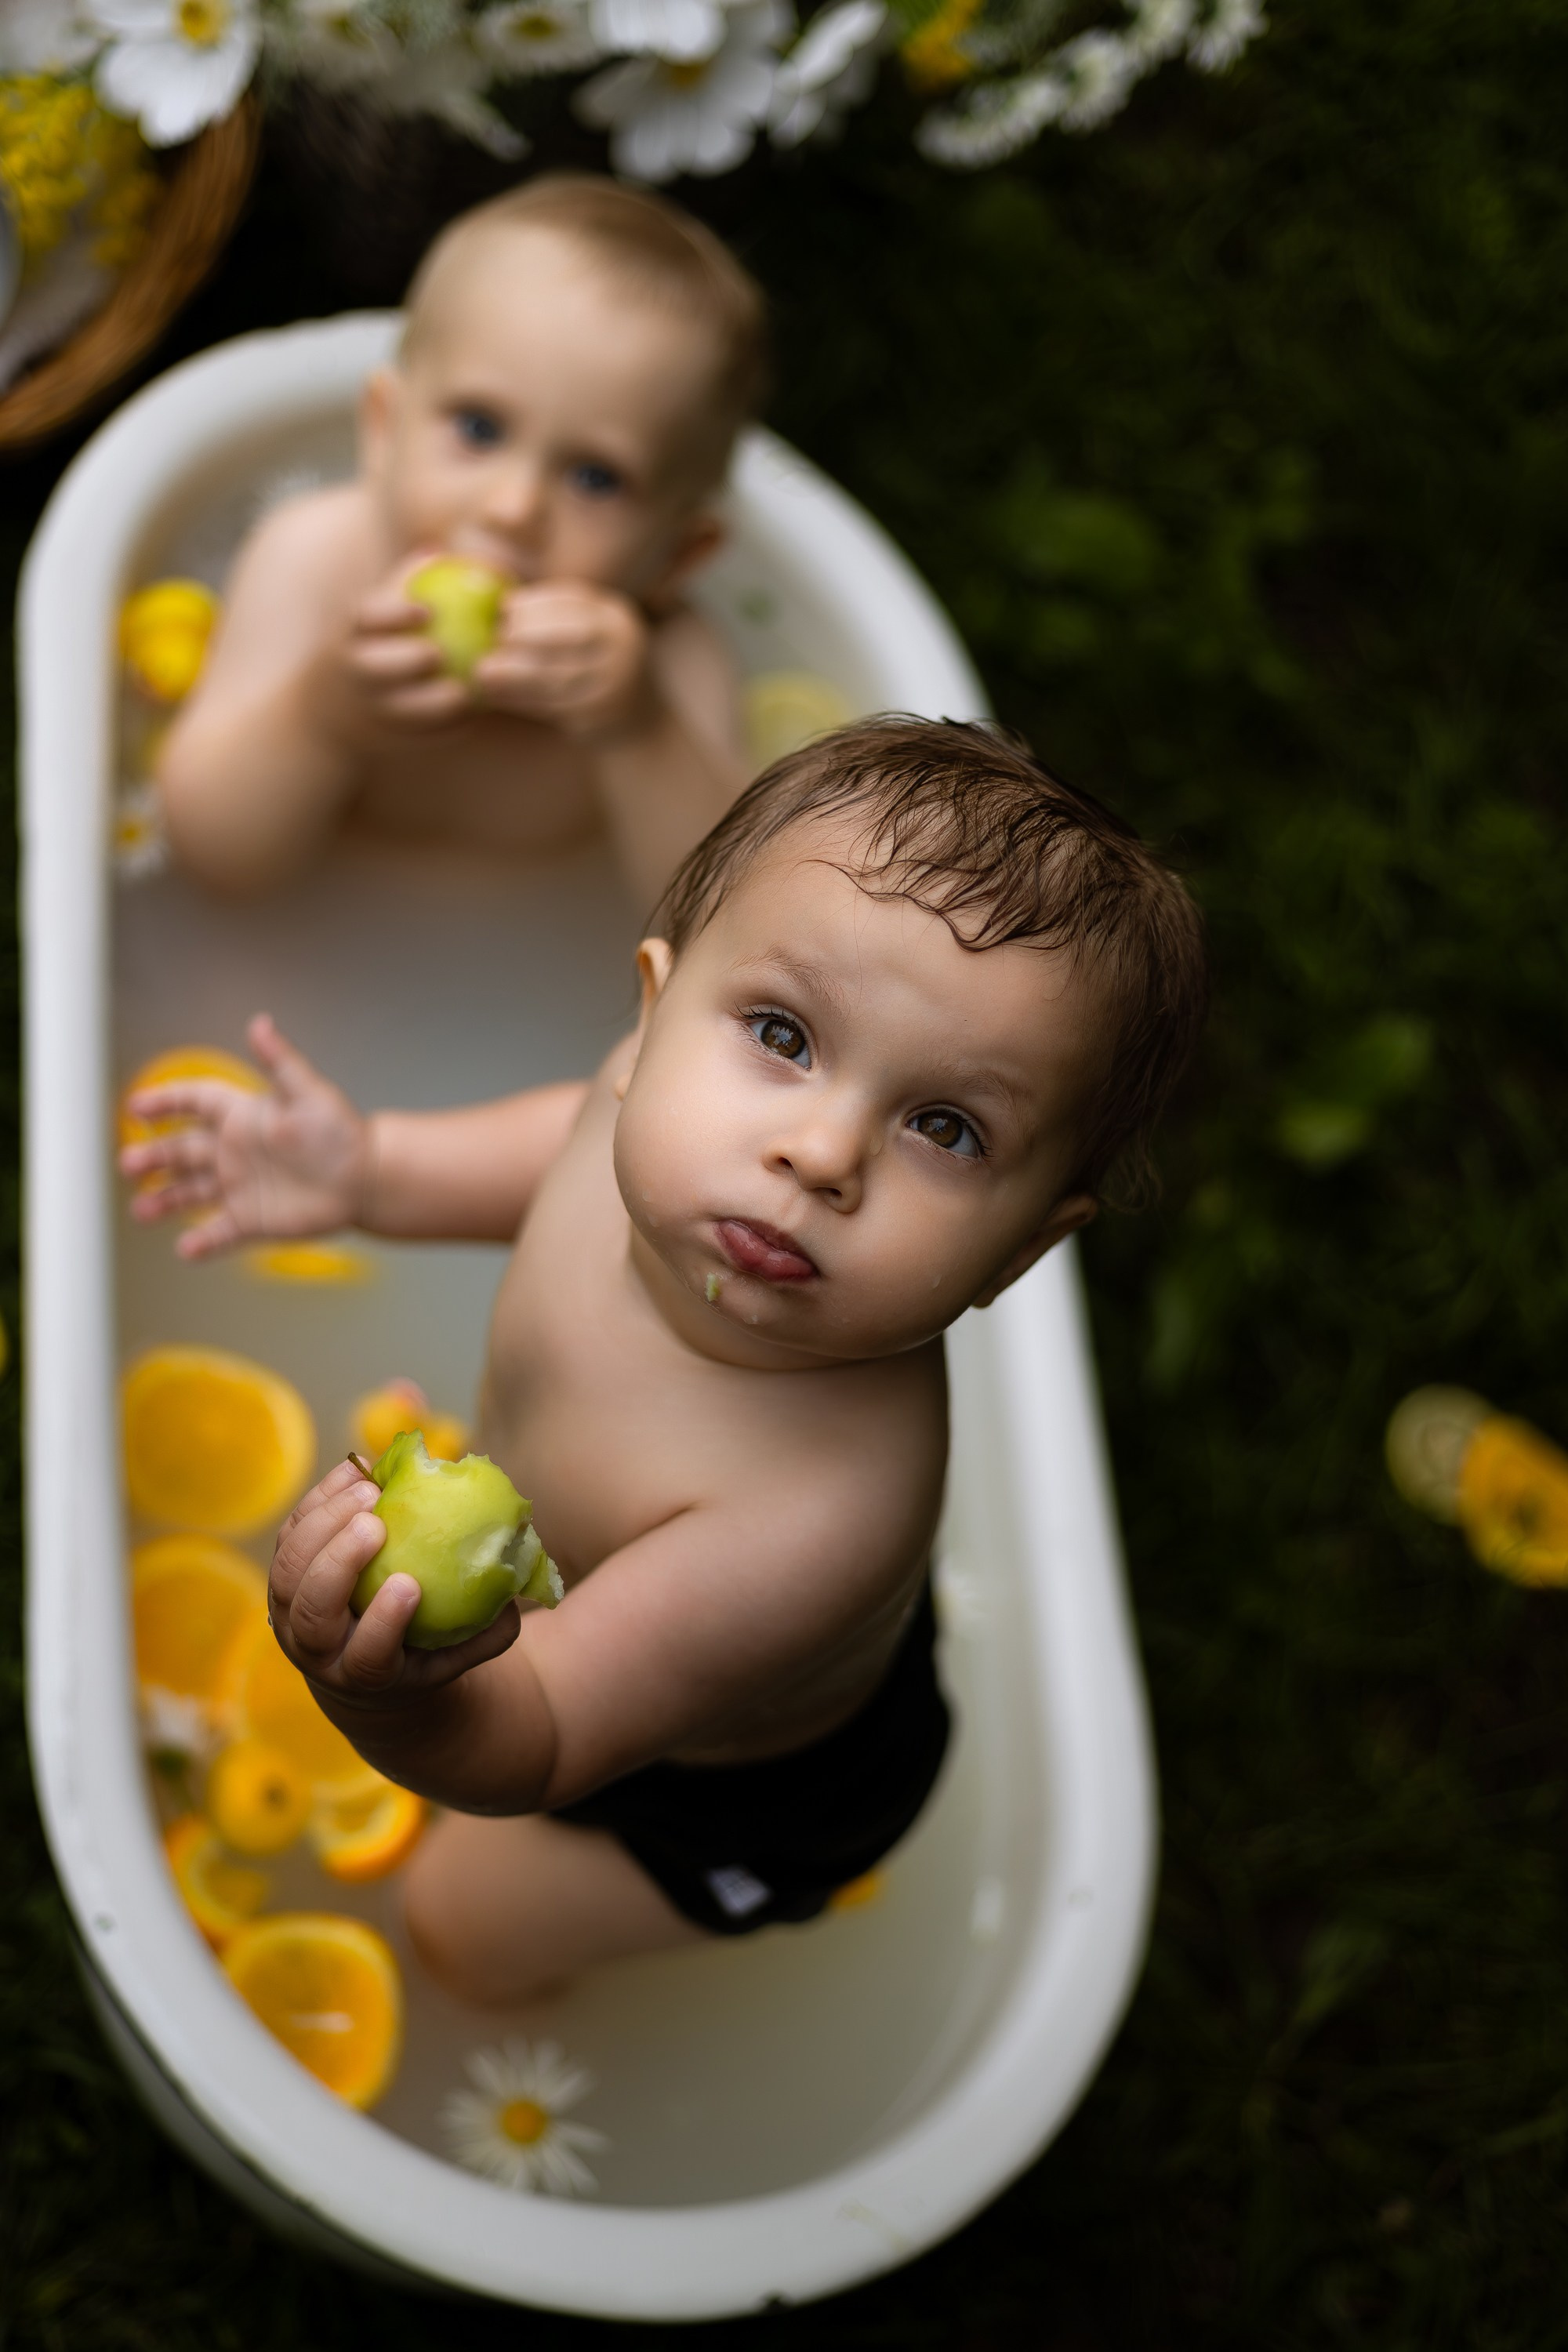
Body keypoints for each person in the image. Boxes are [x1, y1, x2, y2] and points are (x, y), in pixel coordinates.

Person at [120, 719, 1207, 2005]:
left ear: (1024, 1251)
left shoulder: (816, 1508)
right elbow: (561, 1146)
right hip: (588, 1607)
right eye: (786, 1037)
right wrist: (375, 1171)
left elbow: (552, 1729)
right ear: (654, 1011)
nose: (819, 1149)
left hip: (731, 1795)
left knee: (463, 1926)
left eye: (945, 1126)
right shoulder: (649, 1092)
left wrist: (393, 1704)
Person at [157, 175, 761, 909]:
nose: (514, 508)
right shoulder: (313, 563)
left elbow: (722, 919)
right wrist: (324, 716)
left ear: (677, 556)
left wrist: (638, 731)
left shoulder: (665, 667)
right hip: (299, 944)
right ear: (383, 429)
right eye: (479, 429)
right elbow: (212, 854)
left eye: (597, 478)